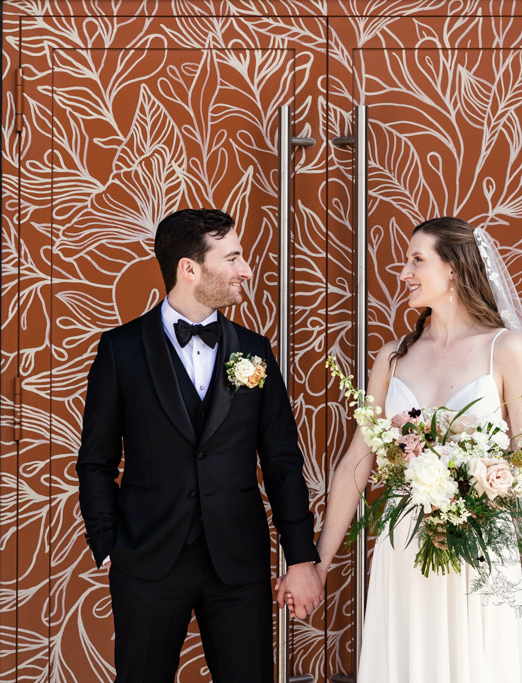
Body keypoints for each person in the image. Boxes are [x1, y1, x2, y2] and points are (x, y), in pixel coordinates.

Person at [304, 217, 522, 682]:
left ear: (453, 269)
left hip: (477, 545)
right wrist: (320, 564)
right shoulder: (392, 357)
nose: (403, 273)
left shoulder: (506, 349)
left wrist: (474, 500)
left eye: (417, 260)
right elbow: (359, 460)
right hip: (404, 549)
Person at [76, 208, 323, 683]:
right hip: (146, 560)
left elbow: (282, 463)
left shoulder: (255, 351)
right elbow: (96, 460)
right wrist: (109, 545)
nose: (245, 271)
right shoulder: (121, 350)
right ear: (189, 269)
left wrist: (301, 558)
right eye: (232, 258)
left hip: (238, 562)